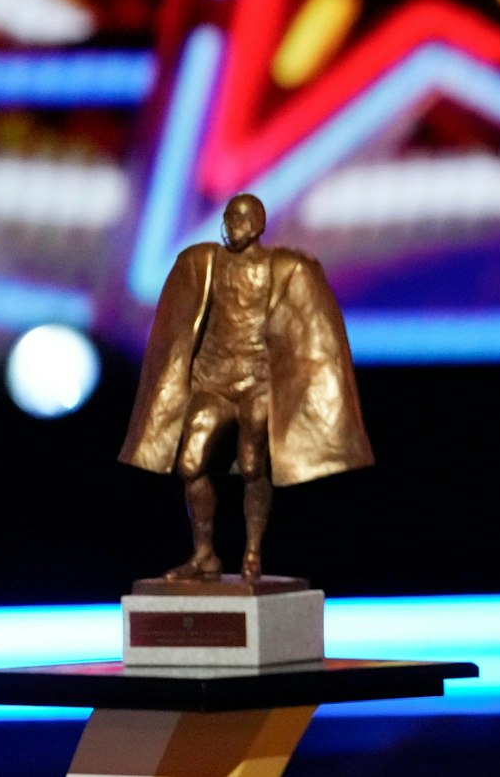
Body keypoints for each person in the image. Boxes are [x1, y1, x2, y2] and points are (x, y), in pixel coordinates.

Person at [119, 192, 371, 582]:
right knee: (190, 464)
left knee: (254, 465)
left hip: (257, 384)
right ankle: (204, 555)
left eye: (239, 218)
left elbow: (307, 327)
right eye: (228, 217)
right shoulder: (205, 262)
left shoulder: (281, 267)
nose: (231, 225)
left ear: (256, 225)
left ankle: (252, 552)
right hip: (213, 381)